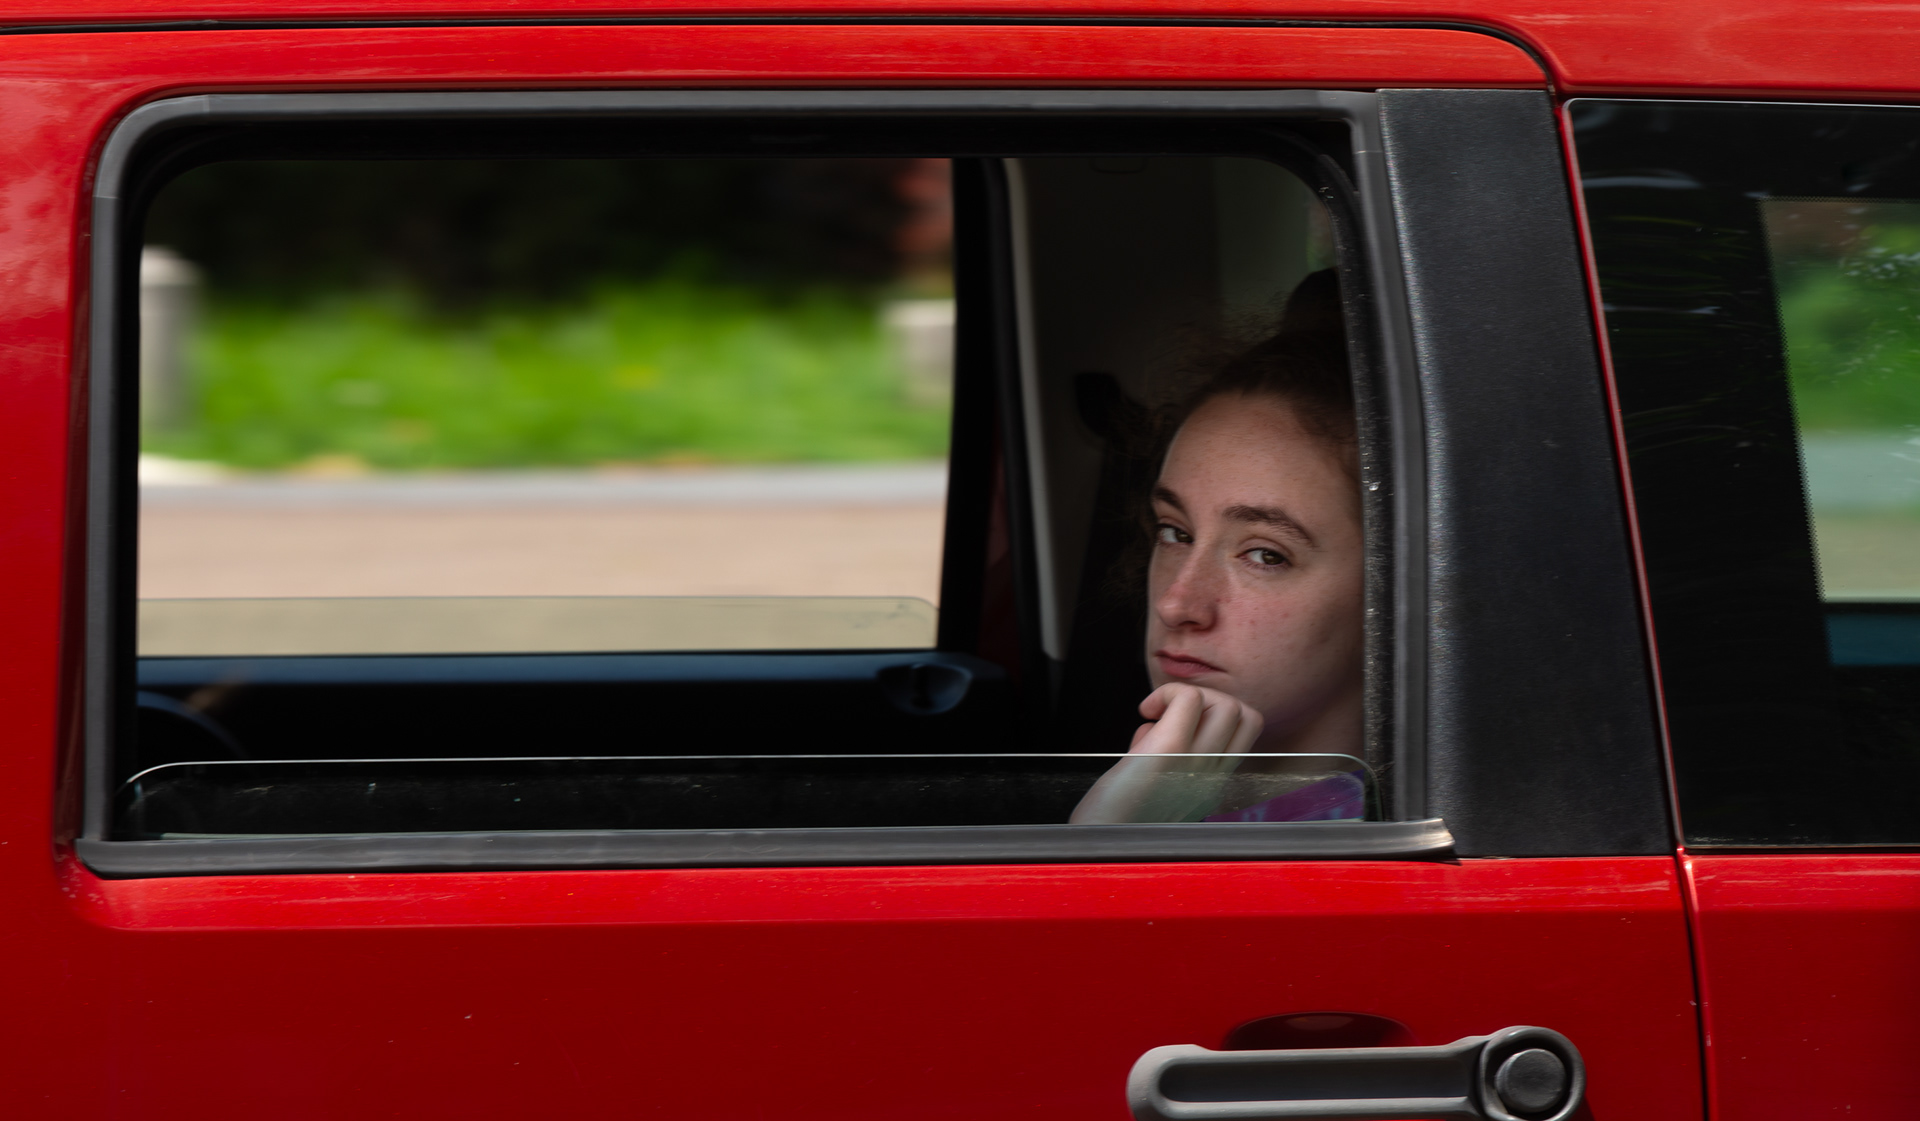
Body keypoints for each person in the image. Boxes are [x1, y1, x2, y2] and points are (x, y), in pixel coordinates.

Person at [1070, 271, 1366, 824]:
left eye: (1265, 555)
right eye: (1175, 533)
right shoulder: (1200, 810)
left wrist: (1109, 849)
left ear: (1397, 592)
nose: (1176, 605)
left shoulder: (1373, 860)